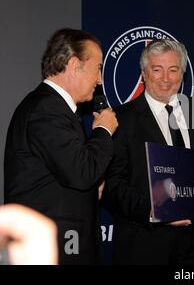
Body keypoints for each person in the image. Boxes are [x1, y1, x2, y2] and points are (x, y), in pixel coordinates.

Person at [102, 39, 194, 264]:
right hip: (145, 246)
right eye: (157, 69)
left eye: (173, 70)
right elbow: (112, 184)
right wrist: (156, 211)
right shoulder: (120, 120)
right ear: (144, 73)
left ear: (182, 73)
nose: (166, 78)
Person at [4, 28, 118, 264]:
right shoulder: (47, 108)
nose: (99, 80)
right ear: (75, 65)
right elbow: (81, 172)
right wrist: (104, 130)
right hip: (53, 249)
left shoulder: (57, 109)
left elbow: (70, 172)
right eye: (98, 68)